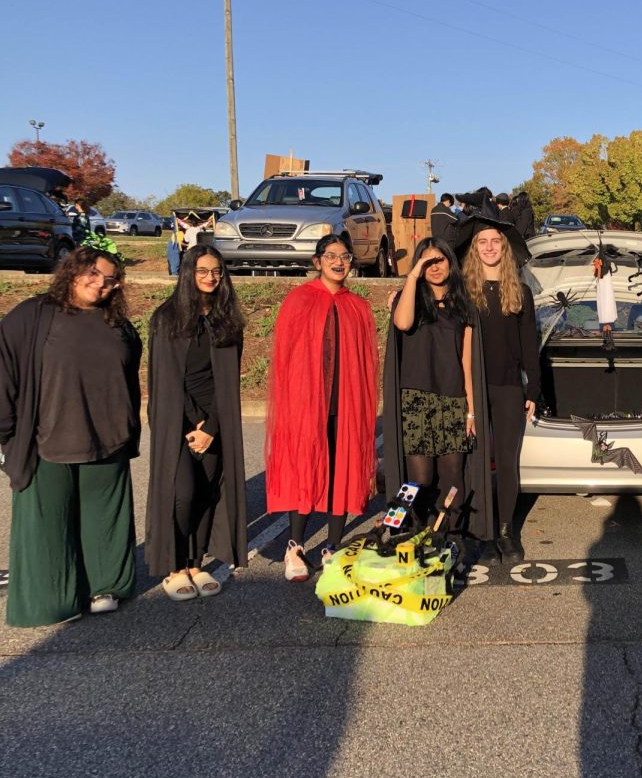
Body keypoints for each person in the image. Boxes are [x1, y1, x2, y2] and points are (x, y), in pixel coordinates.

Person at [1, 247, 141, 626]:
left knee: (104, 520)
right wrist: (7, 433)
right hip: (47, 440)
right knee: (48, 524)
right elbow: (5, 372)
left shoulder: (117, 323)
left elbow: (130, 377)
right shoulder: (35, 315)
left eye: (110, 279)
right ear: (73, 270)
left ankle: (105, 585)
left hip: (107, 439)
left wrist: (129, 426)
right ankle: (53, 598)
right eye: (94, 274)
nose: (101, 284)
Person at [266, 234, 378, 581]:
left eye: (345, 256)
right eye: (331, 255)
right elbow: (285, 360)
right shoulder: (298, 300)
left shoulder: (358, 307)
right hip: (305, 403)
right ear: (317, 261)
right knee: (305, 468)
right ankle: (295, 546)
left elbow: (365, 364)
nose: (339, 261)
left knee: (341, 470)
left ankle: (332, 546)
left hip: (345, 403)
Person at [144, 245, 247, 601]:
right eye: (202, 270)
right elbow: (167, 380)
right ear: (188, 273)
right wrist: (197, 426)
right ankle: (174, 567)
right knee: (182, 494)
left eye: (216, 271)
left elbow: (229, 381)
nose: (210, 277)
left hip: (215, 419)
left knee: (206, 493)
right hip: (179, 419)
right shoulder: (166, 318)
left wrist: (214, 426)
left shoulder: (226, 320)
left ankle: (196, 562)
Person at [382, 236, 489, 544]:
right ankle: (396, 524)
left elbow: (467, 362)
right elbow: (402, 324)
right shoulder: (409, 297)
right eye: (426, 262)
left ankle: (449, 536)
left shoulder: (463, 305)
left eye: (439, 260)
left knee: (453, 476)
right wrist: (412, 276)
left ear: (450, 263)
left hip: (452, 400)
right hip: (416, 400)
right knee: (420, 478)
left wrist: (470, 409)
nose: (434, 267)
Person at [458, 214, 537, 559]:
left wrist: (533, 390)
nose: (489, 247)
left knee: (507, 461)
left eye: (495, 242)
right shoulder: (462, 290)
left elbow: (529, 345)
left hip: (508, 387)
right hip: (471, 386)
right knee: (472, 460)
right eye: (482, 242)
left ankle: (506, 530)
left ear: (504, 248)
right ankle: (478, 530)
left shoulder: (519, 292)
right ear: (475, 249)